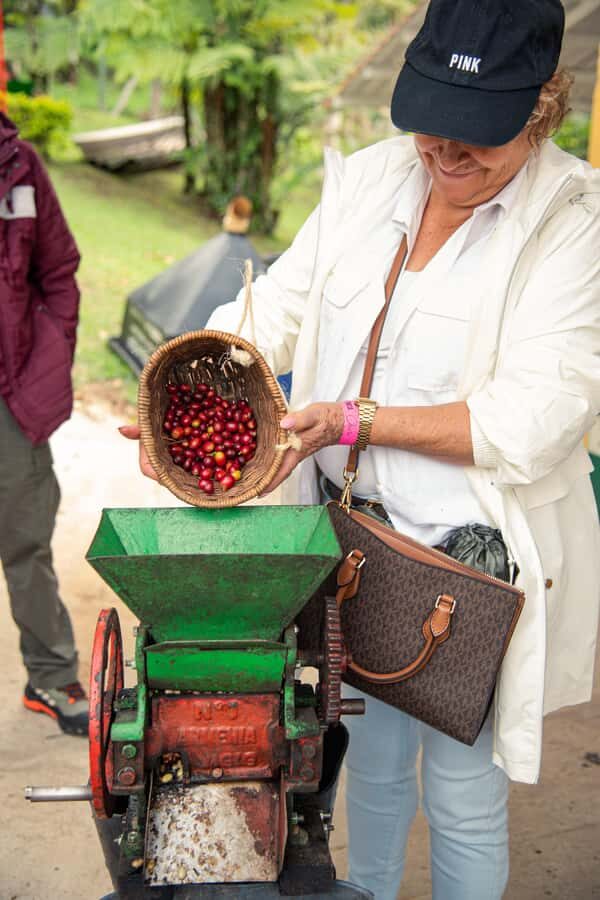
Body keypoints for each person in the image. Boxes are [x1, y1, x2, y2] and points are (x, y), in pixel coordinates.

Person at [124, 0, 600, 896]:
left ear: (542, 107)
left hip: (466, 567)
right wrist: (190, 390)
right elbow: (283, 307)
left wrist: (351, 421)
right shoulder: (377, 178)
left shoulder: (576, 222)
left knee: (461, 791)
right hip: (349, 549)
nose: (446, 159)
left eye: (477, 142)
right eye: (433, 133)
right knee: (365, 767)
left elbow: (534, 416)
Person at [0, 111, 88, 735]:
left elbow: (58, 273)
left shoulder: (20, 166)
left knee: (26, 539)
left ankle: (51, 678)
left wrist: (50, 353)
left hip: (11, 393)